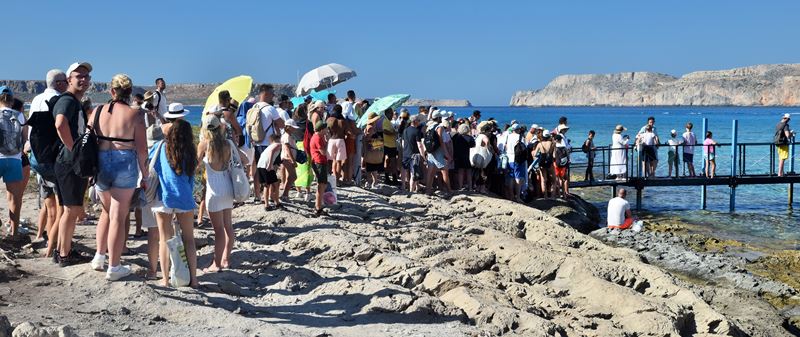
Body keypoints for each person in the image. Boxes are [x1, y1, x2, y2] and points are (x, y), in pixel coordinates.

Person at [90, 74, 147, 280]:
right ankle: (114, 267)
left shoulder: (97, 111)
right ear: (129, 92)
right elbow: (142, 150)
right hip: (125, 161)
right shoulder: (135, 114)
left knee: (106, 212)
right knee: (117, 216)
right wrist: (146, 175)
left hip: (101, 161)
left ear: (111, 91)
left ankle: (99, 256)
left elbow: (89, 138)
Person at [151, 118, 199, 288]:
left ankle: (165, 279)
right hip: (184, 197)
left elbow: (152, 167)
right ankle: (194, 279)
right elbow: (192, 176)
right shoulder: (191, 152)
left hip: (164, 196)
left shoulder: (160, 148)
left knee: (164, 238)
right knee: (189, 239)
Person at [53, 62, 92, 266]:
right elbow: (60, 124)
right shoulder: (67, 101)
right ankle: (65, 255)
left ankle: (62, 250)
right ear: (69, 79)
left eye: (86, 76)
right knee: (72, 210)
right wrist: (74, 151)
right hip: (69, 164)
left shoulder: (73, 101)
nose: (84, 79)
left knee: (69, 210)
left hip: (66, 163)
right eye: (79, 76)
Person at [197, 115, 240, 272]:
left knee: (218, 230)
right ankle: (226, 259)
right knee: (228, 226)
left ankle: (217, 264)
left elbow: (194, 166)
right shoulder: (227, 144)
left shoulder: (204, 145)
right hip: (227, 187)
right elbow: (244, 159)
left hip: (213, 189)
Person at [28, 69, 67, 243]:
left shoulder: (36, 99)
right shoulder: (58, 101)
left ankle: (46, 240)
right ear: (59, 83)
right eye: (65, 81)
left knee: (48, 205)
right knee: (61, 208)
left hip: (36, 158)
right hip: (51, 158)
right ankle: (56, 246)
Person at [0, 86, 27, 241]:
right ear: (12, 100)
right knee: (15, 198)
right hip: (15, 159)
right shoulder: (20, 115)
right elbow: (25, 138)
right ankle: (14, 233)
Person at [252, 84, 284, 203]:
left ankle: (257, 195)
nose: (273, 96)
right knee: (271, 170)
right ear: (265, 93)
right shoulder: (270, 108)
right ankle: (271, 197)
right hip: (268, 144)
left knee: (259, 170)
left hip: (256, 143)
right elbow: (281, 124)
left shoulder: (254, 107)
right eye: (272, 94)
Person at [424, 110, 452, 197]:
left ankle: (428, 190)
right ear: (439, 118)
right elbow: (441, 141)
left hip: (430, 150)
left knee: (430, 171)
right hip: (438, 150)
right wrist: (446, 153)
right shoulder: (439, 127)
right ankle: (449, 191)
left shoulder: (429, 126)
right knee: (444, 171)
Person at [257, 134, 283, 210]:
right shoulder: (277, 144)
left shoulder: (269, 146)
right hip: (267, 166)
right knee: (275, 184)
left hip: (260, 165)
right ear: (278, 139)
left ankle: (267, 204)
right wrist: (269, 164)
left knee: (267, 185)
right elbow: (272, 152)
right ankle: (276, 203)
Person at [309, 121, 329, 216]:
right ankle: (318, 207)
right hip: (319, 163)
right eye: (326, 129)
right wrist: (327, 141)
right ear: (321, 130)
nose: (327, 130)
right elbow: (323, 152)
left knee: (322, 185)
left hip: (319, 162)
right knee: (321, 185)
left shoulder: (318, 136)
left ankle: (319, 206)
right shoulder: (317, 138)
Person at [401, 115, 424, 192]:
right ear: (414, 121)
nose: (419, 122)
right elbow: (419, 145)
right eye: (418, 120)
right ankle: (411, 190)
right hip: (414, 154)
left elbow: (403, 143)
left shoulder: (405, 130)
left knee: (404, 170)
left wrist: (405, 150)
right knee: (413, 173)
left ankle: (404, 186)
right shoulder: (417, 131)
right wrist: (423, 156)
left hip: (405, 153)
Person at [504, 124, 526, 201]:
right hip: (518, 159)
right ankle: (518, 197)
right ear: (519, 129)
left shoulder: (508, 136)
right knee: (518, 178)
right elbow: (524, 148)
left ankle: (511, 196)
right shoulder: (520, 137)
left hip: (509, 158)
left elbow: (505, 146)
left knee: (511, 178)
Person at [326, 105, 348, 183]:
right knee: (338, 161)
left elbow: (327, 130)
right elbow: (346, 132)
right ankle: (337, 180)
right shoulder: (343, 121)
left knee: (330, 160)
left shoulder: (329, 119)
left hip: (331, 140)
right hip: (340, 140)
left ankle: (329, 178)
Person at [363, 112, 385, 188]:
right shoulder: (371, 127)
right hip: (373, 150)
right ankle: (374, 182)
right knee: (373, 168)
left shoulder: (369, 126)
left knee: (369, 168)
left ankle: (369, 182)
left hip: (370, 151)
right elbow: (369, 138)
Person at [452, 123, 475, 192]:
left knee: (460, 172)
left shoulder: (455, 136)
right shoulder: (469, 138)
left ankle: (460, 187)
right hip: (466, 156)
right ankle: (470, 187)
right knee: (468, 172)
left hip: (457, 156)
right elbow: (473, 145)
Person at [533, 130, 555, 198]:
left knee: (543, 180)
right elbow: (554, 155)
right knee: (553, 180)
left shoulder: (540, 144)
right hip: (549, 162)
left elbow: (535, 154)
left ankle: (545, 196)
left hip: (542, 162)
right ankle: (552, 196)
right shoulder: (552, 143)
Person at [382, 108, 400, 186]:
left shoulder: (387, 121)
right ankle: (393, 179)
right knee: (392, 162)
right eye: (391, 113)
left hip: (389, 144)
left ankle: (388, 178)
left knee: (388, 161)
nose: (392, 115)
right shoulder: (386, 121)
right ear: (388, 113)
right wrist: (393, 133)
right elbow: (385, 131)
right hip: (389, 145)